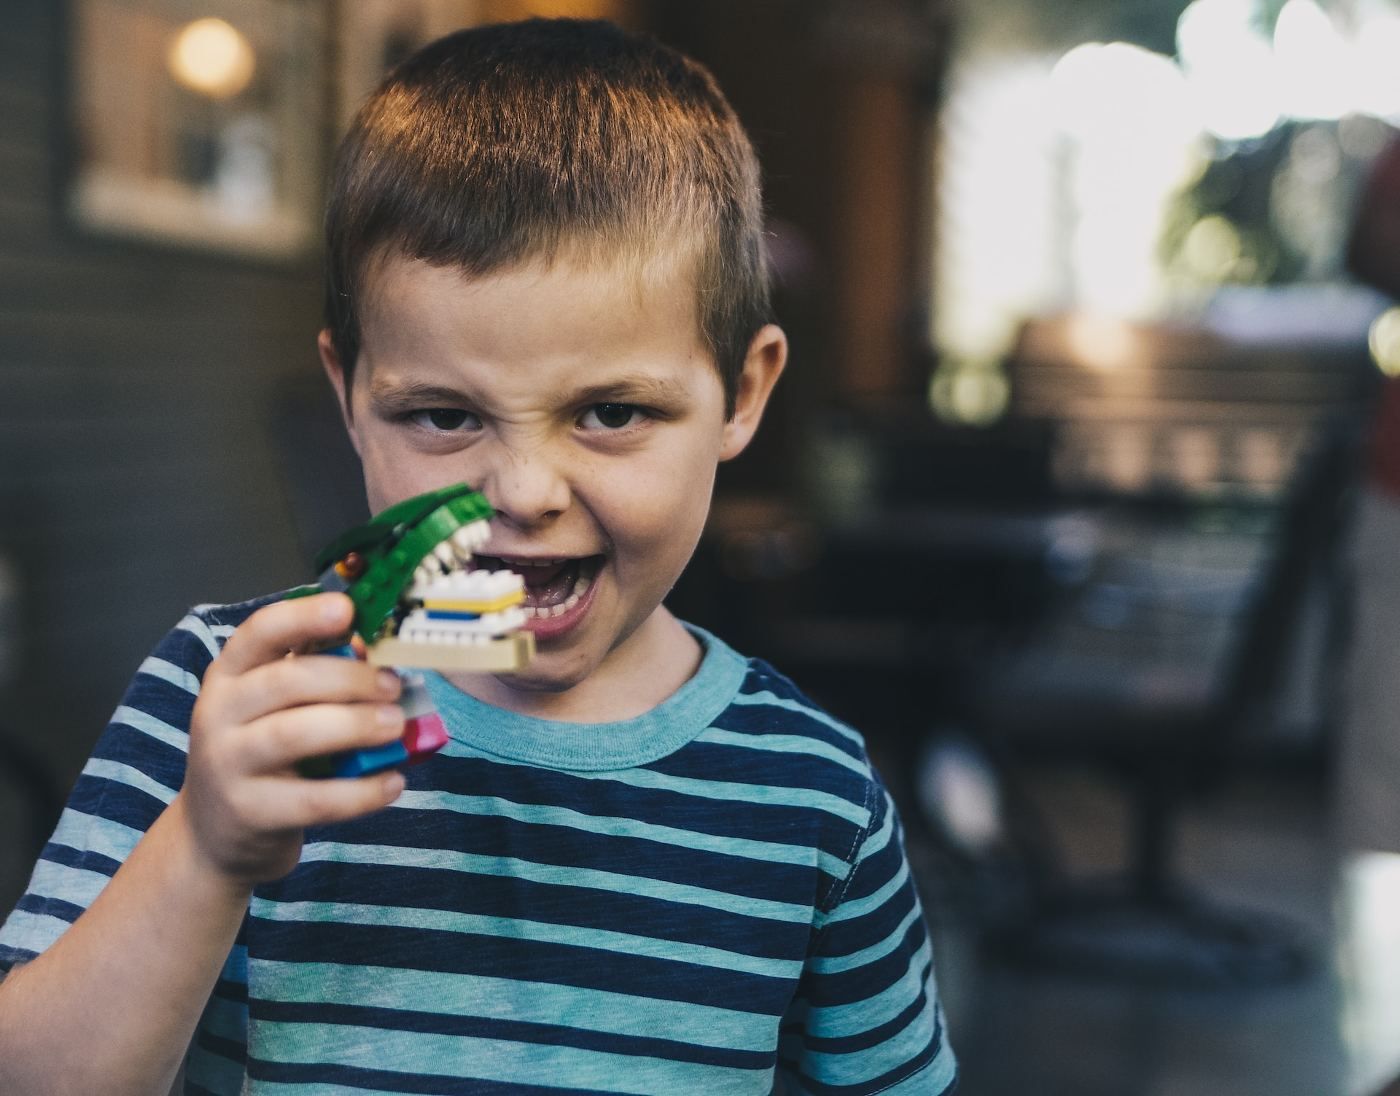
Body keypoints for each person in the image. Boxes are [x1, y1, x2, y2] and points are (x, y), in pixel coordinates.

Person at [0, 19, 957, 1095]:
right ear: (350, 397)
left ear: (740, 394)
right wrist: (206, 850)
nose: (523, 493)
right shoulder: (225, 702)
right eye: (444, 415)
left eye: (610, 411)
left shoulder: (815, 796)